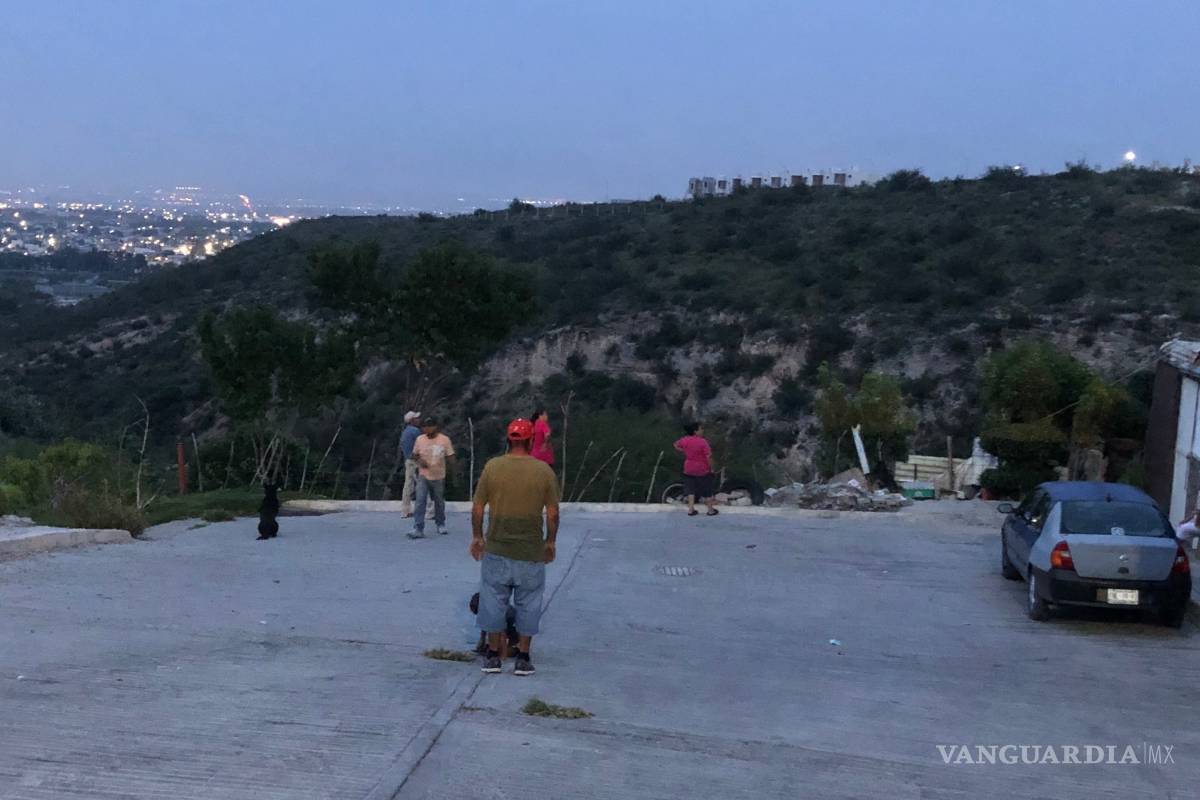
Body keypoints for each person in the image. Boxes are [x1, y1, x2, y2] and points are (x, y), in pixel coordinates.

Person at [470, 418, 560, 676]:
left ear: (508, 440)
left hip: (497, 548)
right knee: (529, 603)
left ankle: (492, 656)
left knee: (493, 601)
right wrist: (550, 542)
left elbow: (478, 507)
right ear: (532, 441)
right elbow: (552, 513)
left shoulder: (493, 467)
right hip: (530, 551)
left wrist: (477, 537)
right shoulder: (544, 471)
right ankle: (523, 656)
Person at [408, 418, 456, 539]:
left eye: (429, 426)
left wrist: (454, 472)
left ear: (435, 427)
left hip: (439, 475)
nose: (426, 429)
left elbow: (451, 456)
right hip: (423, 475)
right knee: (420, 500)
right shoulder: (420, 439)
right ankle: (418, 527)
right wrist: (419, 460)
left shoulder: (444, 440)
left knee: (439, 501)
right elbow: (414, 454)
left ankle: (440, 523)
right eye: (424, 426)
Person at [674, 422, 718, 517]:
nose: (702, 431)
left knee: (691, 489)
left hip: (688, 467)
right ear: (695, 431)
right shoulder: (703, 442)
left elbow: (676, 445)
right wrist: (712, 468)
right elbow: (709, 457)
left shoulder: (684, 440)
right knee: (707, 489)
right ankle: (710, 510)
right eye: (701, 429)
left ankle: (691, 509)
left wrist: (684, 451)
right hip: (702, 468)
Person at [399, 411, 422, 519]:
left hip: (408, 461)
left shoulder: (405, 432)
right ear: (412, 420)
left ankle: (405, 510)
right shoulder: (415, 431)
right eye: (417, 418)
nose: (419, 420)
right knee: (424, 485)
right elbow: (422, 446)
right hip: (416, 461)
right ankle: (428, 511)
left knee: (408, 486)